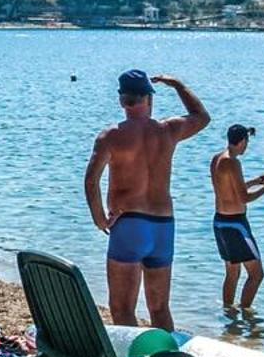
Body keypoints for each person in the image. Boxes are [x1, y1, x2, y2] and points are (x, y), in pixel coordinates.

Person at [84, 69, 209, 331]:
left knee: (122, 308)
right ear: (149, 99)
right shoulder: (169, 130)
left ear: (122, 100)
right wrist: (177, 85)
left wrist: (99, 219)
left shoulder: (111, 136)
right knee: (160, 308)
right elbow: (202, 117)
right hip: (163, 226)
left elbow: (91, 181)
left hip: (129, 224)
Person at [208, 123, 264, 312]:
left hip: (220, 221)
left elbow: (230, 188)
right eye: (247, 141)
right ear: (242, 141)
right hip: (235, 224)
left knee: (232, 273)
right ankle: (246, 314)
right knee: (257, 274)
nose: (247, 146)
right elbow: (243, 197)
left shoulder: (217, 159)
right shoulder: (233, 162)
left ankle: (229, 314)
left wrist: (254, 181)